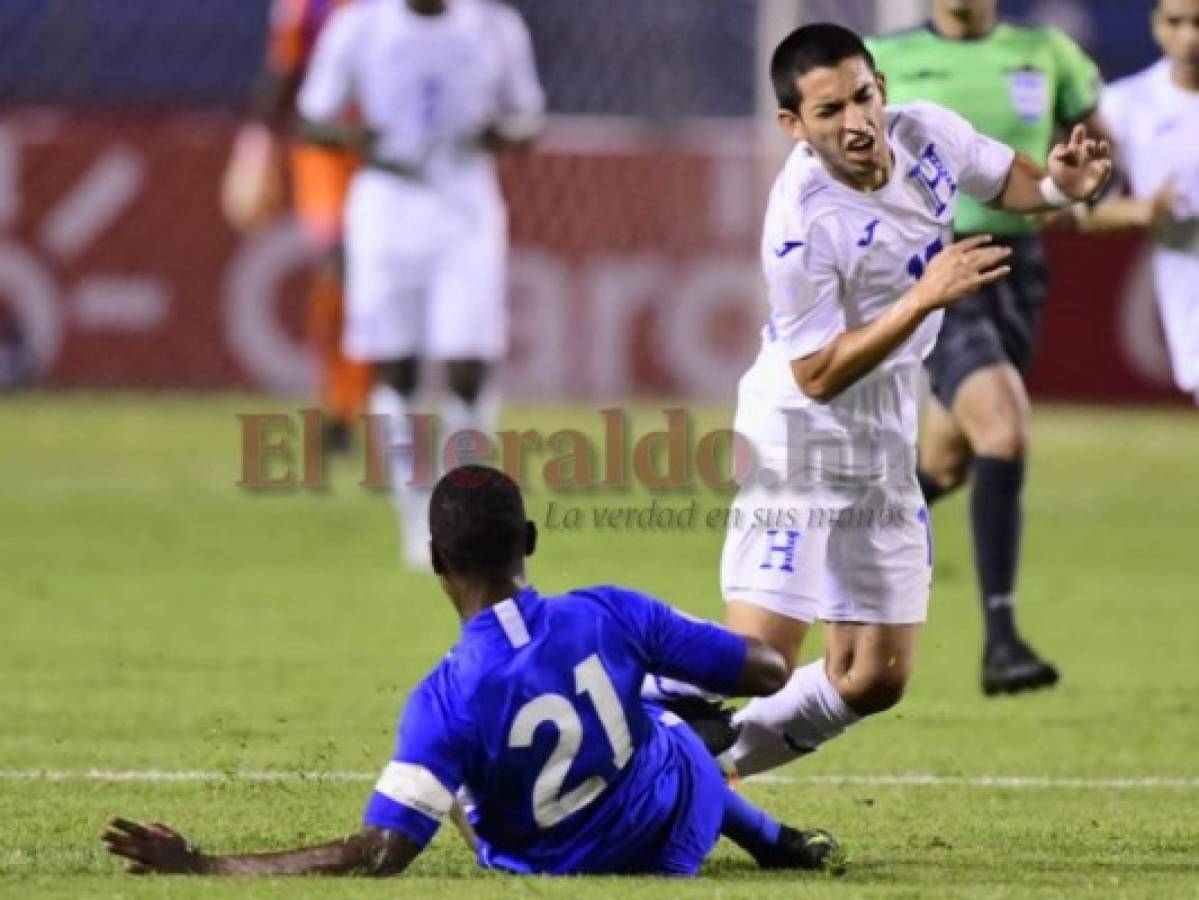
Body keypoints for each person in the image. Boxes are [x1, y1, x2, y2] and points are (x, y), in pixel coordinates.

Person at [652, 23, 1111, 778]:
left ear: (881, 87)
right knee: (757, 661)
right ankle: (585, 715)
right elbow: (816, 374)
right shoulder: (800, 219)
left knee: (874, 674)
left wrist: (1062, 185)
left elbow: (1009, 182)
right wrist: (921, 299)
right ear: (792, 126)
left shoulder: (927, 134)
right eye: (828, 111)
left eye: (862, 96)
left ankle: (707, 776)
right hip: (798, 434)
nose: (856, 121)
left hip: (882, 435)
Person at [101, 466, 841, 878]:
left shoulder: (442, 699)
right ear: (530, 540)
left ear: (435, 559)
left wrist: (205, 867)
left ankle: (724, 788)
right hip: (672, 839)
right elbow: (768, 669)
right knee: (662, 725)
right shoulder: (612, 614)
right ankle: (776, 840)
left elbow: (378, 853)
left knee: (456, 776)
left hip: (554, 867)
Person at [865, 0, 1105, 695]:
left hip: (1018, 267)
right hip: (940, 266)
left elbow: (1097, 156)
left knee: (947, 457)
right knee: (1003, 426)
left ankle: (828, 547)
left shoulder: (1046, 51)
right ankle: (1000, 642)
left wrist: (1079, 184)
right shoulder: (886, 58)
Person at [295, 0, 545, 569]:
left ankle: (471, 519)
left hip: (465, 205)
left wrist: (500, 134)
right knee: (397, 367)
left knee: (466, 364)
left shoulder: (493, 27)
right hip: (387, 202)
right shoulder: (359, 26)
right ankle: (415, 521)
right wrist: (357, 133)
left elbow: (528, 119)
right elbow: (312, 115)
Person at [222, 0, 371, 454]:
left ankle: (367, 398)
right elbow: (285, 71)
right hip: (327, 149)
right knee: (342, 265)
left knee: (377, 280)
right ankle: (340, 406)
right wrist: (255, 145)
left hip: (395, 149)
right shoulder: (306, 5)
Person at [1079, 0, 1199, 404]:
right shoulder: (1125, 104)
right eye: (1176, 22)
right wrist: (1143, 210)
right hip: (1186, 278)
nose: (1189, 37)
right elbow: (1086, 210)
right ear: (1155, 25)